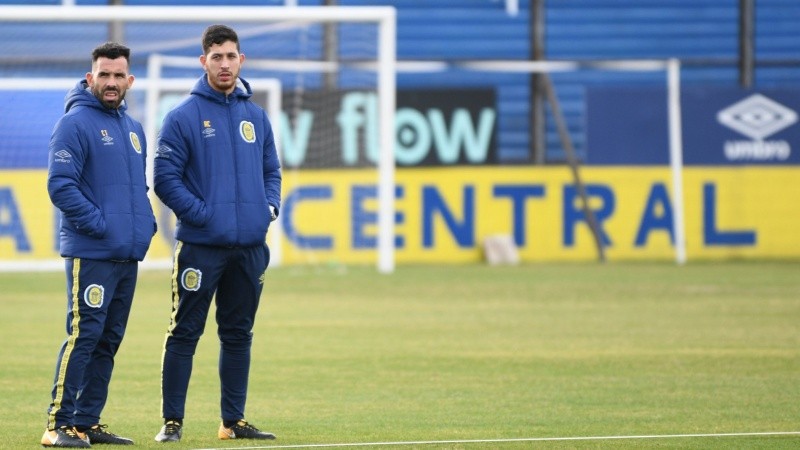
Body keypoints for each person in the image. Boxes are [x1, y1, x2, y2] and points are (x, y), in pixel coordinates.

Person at [152, 24, 282, 443]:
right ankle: (172, 422)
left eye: (230, 56)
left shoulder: (256, 117)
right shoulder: (182, 117)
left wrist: (269, 207)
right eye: (216, 57)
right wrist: (202, 216)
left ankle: (233, 421)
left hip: (250, 247)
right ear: (203, 61)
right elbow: (165, 179)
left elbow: (271, 170)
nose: (224, 64)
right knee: (185, 332)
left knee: (238, 334)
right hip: (201, 248)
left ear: (241, 60)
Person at [43, 42, 157, 448]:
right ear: (90, 78)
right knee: (84, 335)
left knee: (109, 339)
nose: (111, 82)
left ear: (130, 80)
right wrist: (101, 226)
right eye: (104, 75)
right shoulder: (74, 123)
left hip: (126, 254)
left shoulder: (134, 128)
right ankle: (58, 425)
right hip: (92, 252)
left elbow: (137, 189)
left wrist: (145, 224)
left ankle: (87, 421)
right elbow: (61, 185)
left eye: (118, 75)